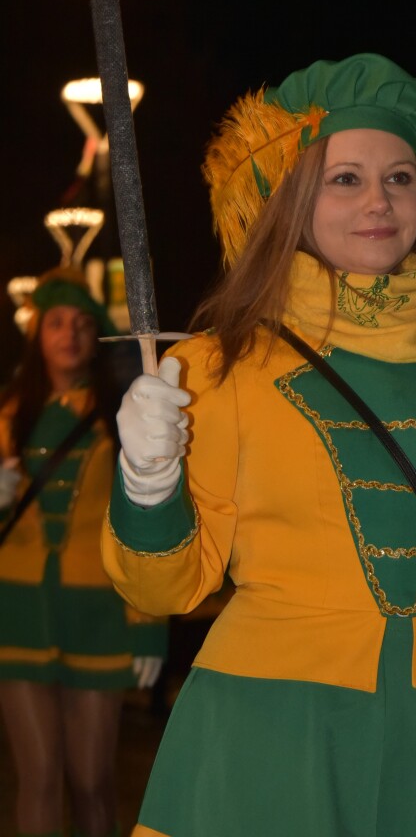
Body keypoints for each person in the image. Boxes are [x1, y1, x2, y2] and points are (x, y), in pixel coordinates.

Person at [101, 52, 416, 836]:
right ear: (292, 202)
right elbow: (164, 591)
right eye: (345, 179)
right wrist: (148, 479)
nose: (378, 200)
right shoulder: (215, 366)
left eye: (399, 177)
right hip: (261, 737)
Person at [0, 266, 169, 837]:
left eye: (80, 324)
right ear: (38, 335)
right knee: (39, 777)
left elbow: (145, 522)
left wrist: (149, 623)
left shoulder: (124, 419)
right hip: (16, 615)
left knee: (93, 780)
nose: (69, 334)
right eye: (55, 323)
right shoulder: (5, 421)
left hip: (98, 617)